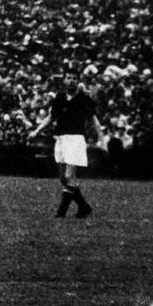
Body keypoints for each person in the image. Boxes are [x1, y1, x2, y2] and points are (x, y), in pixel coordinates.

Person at [27, 68, 102, 218]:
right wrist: (37, 131)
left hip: (75, 139)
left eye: (75, 78)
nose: (71, 80)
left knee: (69, 176)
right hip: (60, 139)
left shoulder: (83, 99)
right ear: (65, 80)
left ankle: (61, 213)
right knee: (63, 178)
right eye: (69, 78)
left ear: (78, 81)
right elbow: (51, 117)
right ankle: (84, 207)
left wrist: (102, 139)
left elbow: (94, 120)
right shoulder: (60, 98)